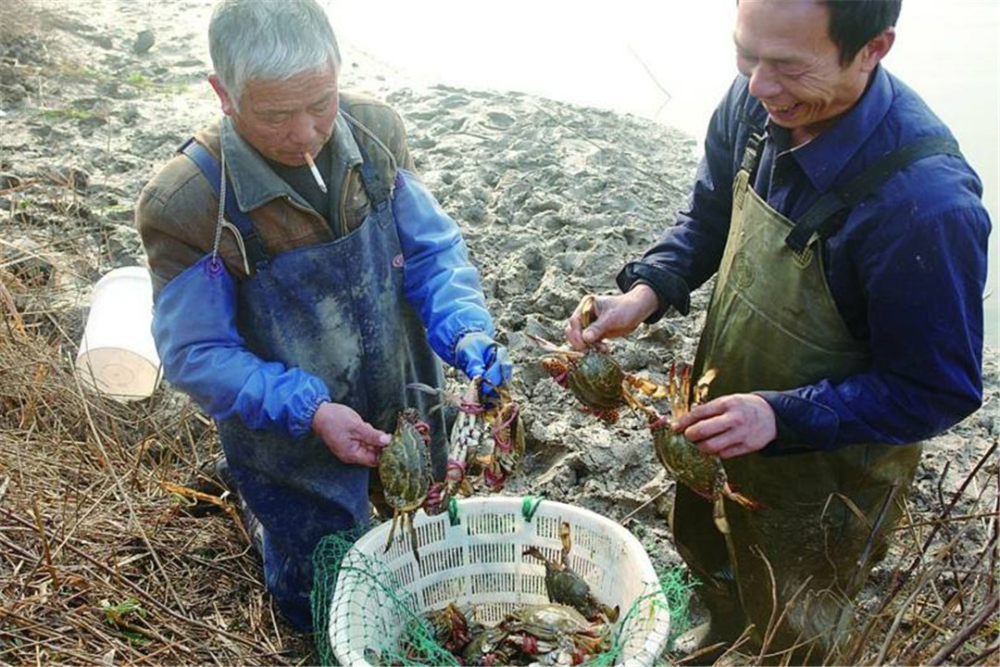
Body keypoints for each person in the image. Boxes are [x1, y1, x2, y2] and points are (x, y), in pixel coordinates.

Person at [567, 0, 990, 661]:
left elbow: (936, 388)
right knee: (709, 543)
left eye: (787, 66)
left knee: (798, 622)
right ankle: (722, 625)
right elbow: (707, 219)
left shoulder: (924, 208)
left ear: (874, 48)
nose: (758, 85)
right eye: (745, 54)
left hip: (829, 476)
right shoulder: (759, 104)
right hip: (720, 414)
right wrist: (645, 291)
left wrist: (780, 416)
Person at [136, 0, 511, 632]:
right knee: (324, 596)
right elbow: (196, 353)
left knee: (432, 548)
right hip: (288, 428)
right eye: (276, 115)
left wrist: (464, 327)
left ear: (338, 71)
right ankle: (263, 520)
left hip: (404, 395)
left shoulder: (374, 132)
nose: (306, 133)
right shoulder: (189, 201)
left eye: (321, 103)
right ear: (222, 93)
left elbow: (432, 252)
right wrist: (307, 410)